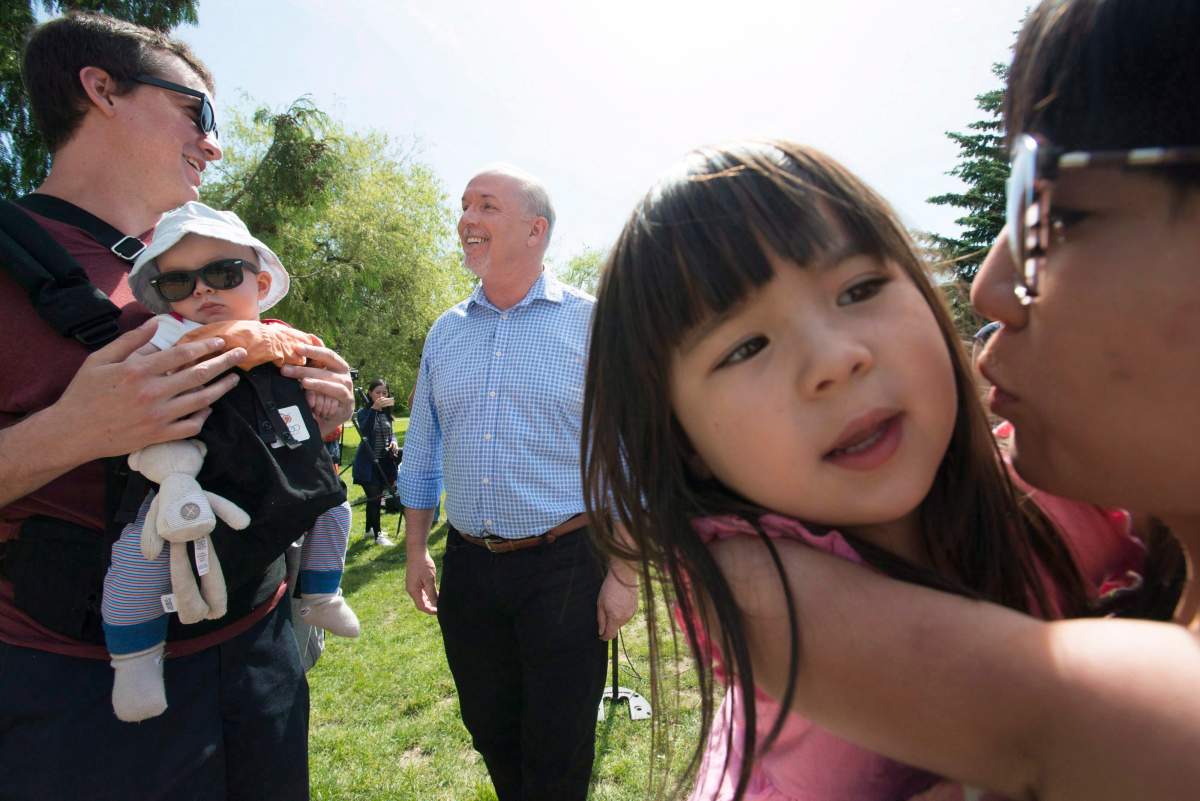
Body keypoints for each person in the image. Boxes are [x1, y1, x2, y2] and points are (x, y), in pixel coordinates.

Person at [589, 3, 1200, 800]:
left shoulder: (1057, 488)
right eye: (745, 347)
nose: (836, 361)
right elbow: (1052, 718)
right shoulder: (757, 581)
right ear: (685, 441)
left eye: (862, 287)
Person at [0, 13, 352, 800]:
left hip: (261, 655)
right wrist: (69, 432)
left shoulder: (209, 260)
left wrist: (321, 403)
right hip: (86, 701)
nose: (216, 144)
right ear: (102, 90)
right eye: (199, 112)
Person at [398, 164, 639, 801]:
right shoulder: (445, 333)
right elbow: (422, 448)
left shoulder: (592, 325)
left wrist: (624, 574)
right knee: (489, 726)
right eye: (464, 206)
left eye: (486, 207)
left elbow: (627, 457)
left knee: (557, 740)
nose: (466, 220)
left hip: (565, 565)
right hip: (469, 569)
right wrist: (416, 547)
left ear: (536, 229)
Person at [99, 201, 359, 722]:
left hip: (278, 473)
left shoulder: (287, 341)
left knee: (335, 507)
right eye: (179, 282)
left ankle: (320, 592)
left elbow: (320, 399)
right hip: (191, 481)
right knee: (135, 560)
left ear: (260, 285)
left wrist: (330, 403)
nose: (201, 290)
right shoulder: (162, 340)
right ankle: (135, 661)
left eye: (221, 273)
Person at [352, 378, 399, 546]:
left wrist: (394, 442)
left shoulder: (386, 413)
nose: (381, 396)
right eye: (377, 392)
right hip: (368, 464)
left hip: (383, 463)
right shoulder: (365, 412)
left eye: (384, 393)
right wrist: (373, 409)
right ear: (370, 394)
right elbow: (364, 431)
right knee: (375, 499)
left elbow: (390, 432)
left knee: (374, 498)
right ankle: (378, 535)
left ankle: (368, 531)